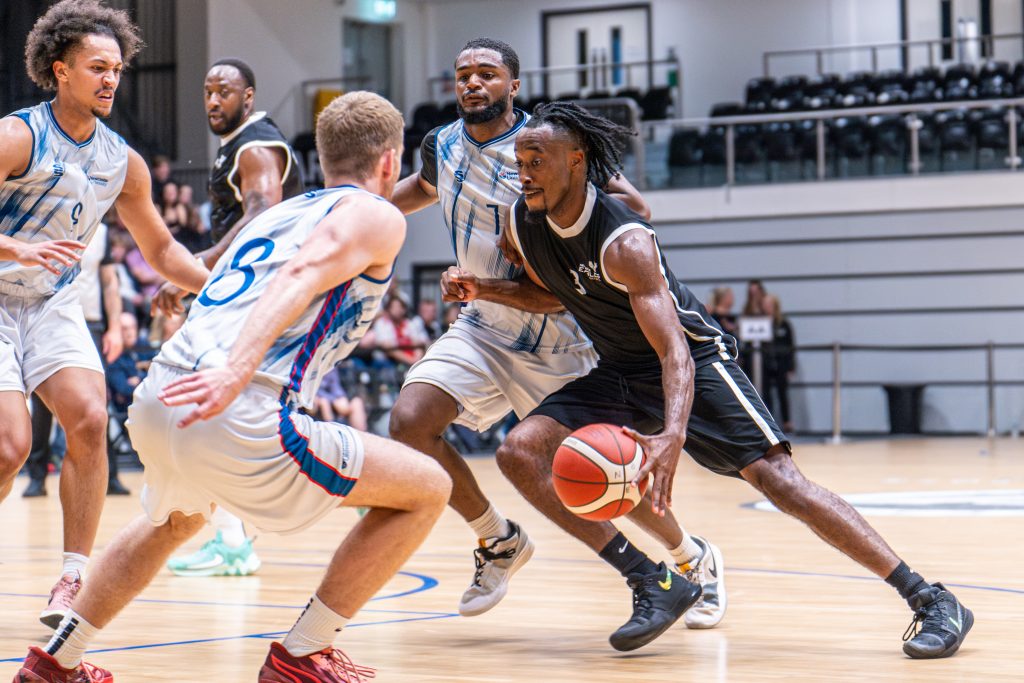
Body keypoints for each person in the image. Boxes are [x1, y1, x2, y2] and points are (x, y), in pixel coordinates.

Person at [456, 101, 972, 659]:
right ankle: (652, 581)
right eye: (521, 160)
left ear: (577, 162)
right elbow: (557, 293)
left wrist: (672, 434)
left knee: (780, 482)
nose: (524, 171)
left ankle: (930, 598)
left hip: (695, 362)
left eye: (538, 160)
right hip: (621, 371)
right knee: (519, 452)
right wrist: (484, 289)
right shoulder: (521, 223)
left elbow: (674, 347)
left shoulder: (624, 240)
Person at [12, 90, 452, 683]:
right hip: (234, 403)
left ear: (321, 161)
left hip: (161, 395)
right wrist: (237, 372)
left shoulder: (276, 215)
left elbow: (245, 278)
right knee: (427, 487)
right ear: (390, 162)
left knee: (176, 518)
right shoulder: (377, 216)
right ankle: (302, 654)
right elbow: (302, 272)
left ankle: (53, 664)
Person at [389, 39, 719, 628]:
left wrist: (554, 235)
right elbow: (418, 189)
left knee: (602, 469)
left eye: (486, 74)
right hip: (483, 321)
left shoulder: (548, 144)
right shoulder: (441, 145)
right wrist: (358, 208)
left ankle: (690, 557)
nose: (472, 83)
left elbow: (634, 208)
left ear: (513, 85)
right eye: (463, 74)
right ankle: (498, 540)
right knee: (411, 420)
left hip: (561, 328)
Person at [0, 0, 210, 630]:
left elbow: (164, 250)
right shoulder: (17, 136)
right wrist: (15, 245)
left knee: (90, 419)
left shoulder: (123, 161)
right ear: (59, 70)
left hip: (52, 302)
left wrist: (231, 286)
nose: (111, 79)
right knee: (10, 448)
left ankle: (72, 578)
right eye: (97, 67)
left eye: (117, 68)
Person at [159, 57, 305, 579]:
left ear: (249, 96)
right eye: (207, 91)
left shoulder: (256, 144)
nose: (213, 100)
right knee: (220, 416)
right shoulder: (239, 144)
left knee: (215, 413)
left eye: (225, 91)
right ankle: (233, 537)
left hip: (255, 298)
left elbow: (261, 214)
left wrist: (197, 269)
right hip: (249, 295)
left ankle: (240, 534)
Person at [23, 219, 127, 497]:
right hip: (48, 317)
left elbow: (110, 283)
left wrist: (115, 327)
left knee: (96, 402)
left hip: (90, 320)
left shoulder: (101, 231)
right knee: (42, 404)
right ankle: (37, 476)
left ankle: (111, 475)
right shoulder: (44, 217)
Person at [761, 294, 796, 433]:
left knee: (783, 393)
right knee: (766, 393)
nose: (766, 307)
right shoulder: (759, 323)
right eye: (764, 304)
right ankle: (769, 423)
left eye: (769, 304)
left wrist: (791, 367)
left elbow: (791, 346)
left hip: (781, 363)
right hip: (765, 363)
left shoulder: (784, 324)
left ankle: (787, 421)